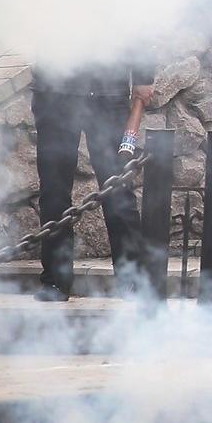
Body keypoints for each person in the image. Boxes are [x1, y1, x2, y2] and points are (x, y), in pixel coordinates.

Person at [29, 59, 152, 300]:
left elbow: (137, 22)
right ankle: (55, 279)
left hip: (107, 91)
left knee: (118, 187)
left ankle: (132, 279)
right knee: (53, 192)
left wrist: (144, 76)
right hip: (54, 93)